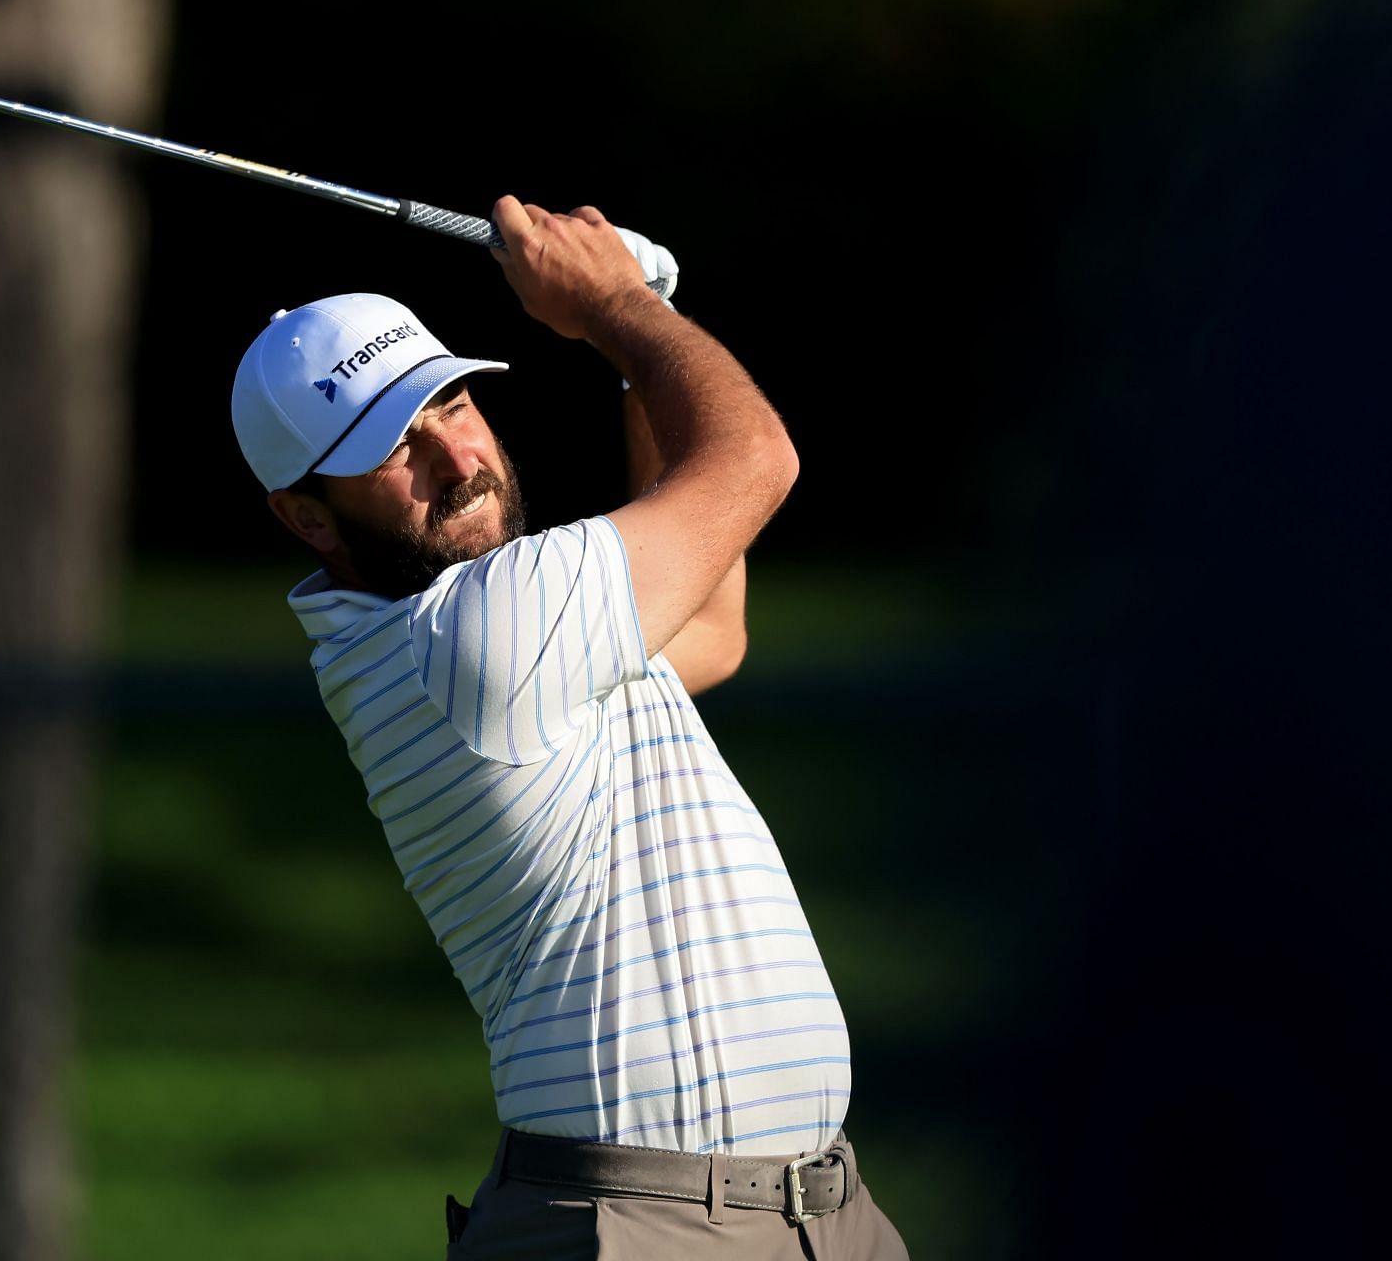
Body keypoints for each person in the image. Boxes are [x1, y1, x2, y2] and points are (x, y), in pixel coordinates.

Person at [230, 195, 909, 1259]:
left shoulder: (501, 632)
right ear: (305, 515)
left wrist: (638, 358)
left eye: (449, 403)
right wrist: (614, 306)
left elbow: (713, 630)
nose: (456, 459)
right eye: (391, 447)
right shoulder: (477, 634)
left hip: (816, 1213)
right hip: (648, 1227)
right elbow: (755, 460)